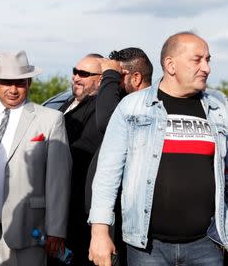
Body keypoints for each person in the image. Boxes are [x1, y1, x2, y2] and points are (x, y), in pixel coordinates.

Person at [89, 32, 228, 266]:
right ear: (170, 65)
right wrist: (99, 233)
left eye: (208, 59)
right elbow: (107, 172)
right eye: (197, 59)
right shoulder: (132, 107)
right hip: (147, 249)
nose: (206, 68)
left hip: (207, 245)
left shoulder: (219, 106)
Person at [0, 50, 72, 266]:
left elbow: (58, 180)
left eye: (20, 83)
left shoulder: (50, 120)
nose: (13, 89)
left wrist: (56, 230)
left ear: (29, 83)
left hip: (26, 234)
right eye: (7, 82)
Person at [84, 48, 153, 265]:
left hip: (126, 224)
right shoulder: (124, 105)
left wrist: (109, 76)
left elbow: (106, 121)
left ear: (136, 77)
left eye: (117, 76)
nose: (112, 84)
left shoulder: (146, 108)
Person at [54, 54, 103, 266]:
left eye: (84, 74)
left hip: (78, 207)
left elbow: (82, 151)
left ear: (100, 80)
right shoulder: (67, 102)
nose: (76, 77)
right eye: (75, 71)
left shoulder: (98, 108)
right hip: (57, 203)